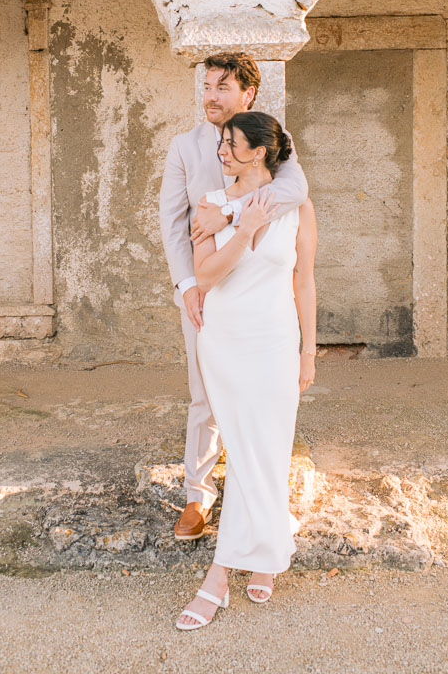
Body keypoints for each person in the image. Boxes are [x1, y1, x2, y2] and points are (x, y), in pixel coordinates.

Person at [175, 110, 317, 630]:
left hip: (276, 343)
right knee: (244, 447)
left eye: (231, 145)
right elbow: (206, 276)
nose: (221, 153)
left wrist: (308, 351)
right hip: (225, 343)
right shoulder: (210, 205)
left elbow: (304, 280)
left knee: (268, 448)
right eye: (221, 144)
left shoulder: (297, 205)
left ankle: (233, 569)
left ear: (258, 152)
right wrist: (243, 229)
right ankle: (243, 563)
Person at [159, 52, 308, 544]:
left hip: (258, 290)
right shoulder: (184, 147)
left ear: (248, 93)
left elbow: (294, 190)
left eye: (222, 87)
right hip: (205, 286)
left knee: (259, 397)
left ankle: (256, 496)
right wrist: (188, 288)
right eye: (206, 86)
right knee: (204, 393)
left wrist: (228, 212)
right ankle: (198, 493)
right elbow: (173, 224)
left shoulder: (271, 139)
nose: (210, 96)